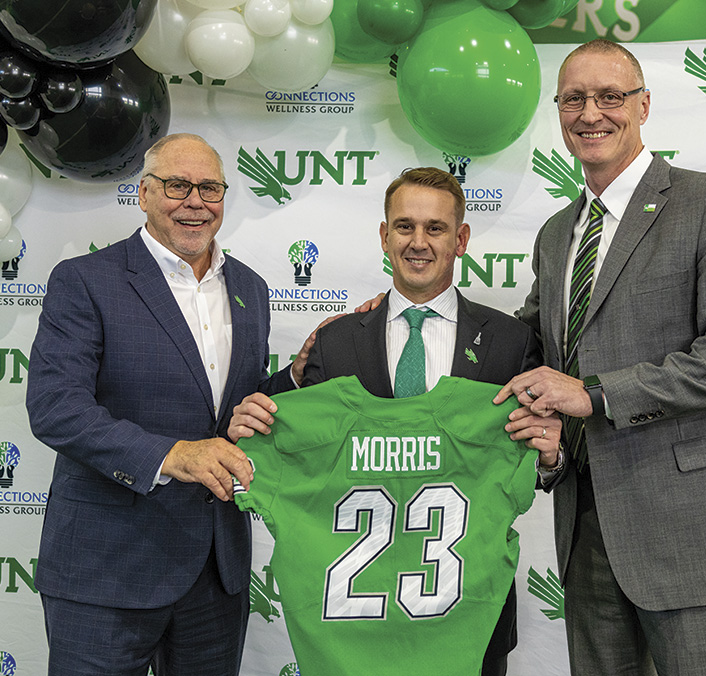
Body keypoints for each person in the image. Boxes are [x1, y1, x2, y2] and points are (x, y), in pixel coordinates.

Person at [494, 39, 706, 675]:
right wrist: (414, 311)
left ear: (644, 105)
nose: (590, 112)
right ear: (559, 111)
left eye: (610, 96)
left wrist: (595, 394)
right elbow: (529, 344)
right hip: (585, 526)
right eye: (574, 98)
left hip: (689, 528)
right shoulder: (556, 233)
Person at [230, 167, 562, 676]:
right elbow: (291, 442)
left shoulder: (509, 341)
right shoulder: (335, 341)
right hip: (351, 626)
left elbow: (532, 468)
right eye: (404, 226)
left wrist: (548, 458)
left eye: (435, 228)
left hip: (468, 618)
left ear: (462, 239)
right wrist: (272, 398)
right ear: (384, 237)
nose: (419, 242)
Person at [26, 133, 305, 676]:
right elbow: (56, 406)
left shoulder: (252, 287)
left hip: (215, 572)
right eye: (177, 185)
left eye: (210, 188)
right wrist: (172, 454)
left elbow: (234, 414)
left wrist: (293, 377)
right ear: (145, 194)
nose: (195, 201)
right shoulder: (85, 281)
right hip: (106, 571)